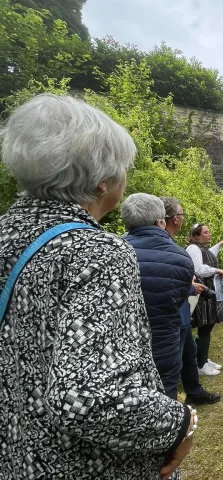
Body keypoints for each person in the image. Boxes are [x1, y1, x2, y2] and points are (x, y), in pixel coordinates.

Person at [0, 94, 194, 480]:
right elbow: (89, 398)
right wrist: (181, 424)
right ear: (103, 180)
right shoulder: (96, 251)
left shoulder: (7, 236)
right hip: (83, 464)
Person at [122, 193, 194, 402]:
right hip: (163, 341)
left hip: (125, 345)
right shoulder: (181, 257)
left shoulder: (112, 252)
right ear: (160, 221)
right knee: (164, 395)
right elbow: (179, 297)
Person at [162, 197, 221, 406]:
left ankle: (194, 388)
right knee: (174, 361)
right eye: (205, 232)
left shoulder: (173, 245)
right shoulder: (174, 247)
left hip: (184, 308)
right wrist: (191, 286)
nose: (209, 234)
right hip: (177, 309)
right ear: (174, 219)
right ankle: (170, 408)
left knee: (189, 350)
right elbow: (173, 278)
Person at [186, 224, 223, 371]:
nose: (209, 234)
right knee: (204, 327)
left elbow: (208, 255)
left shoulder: (201, 248)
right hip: (202, 291)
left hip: (208, 290)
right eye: (206, 232)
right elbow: (198, 268)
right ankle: (200, 365)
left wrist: (220, 244)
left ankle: (204, 359)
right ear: (196, 236)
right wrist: (216, 270)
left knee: (208, 326)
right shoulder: (193, 248)